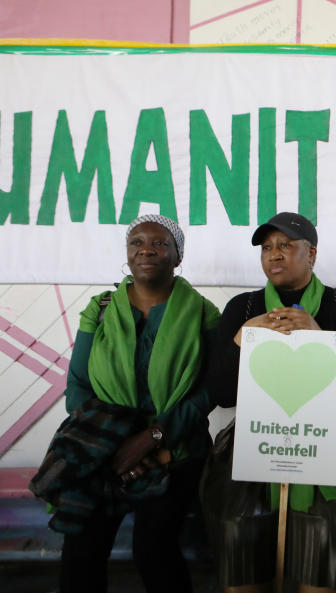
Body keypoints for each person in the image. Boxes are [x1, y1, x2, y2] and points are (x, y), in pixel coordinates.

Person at [201, 212, 336, 593]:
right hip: (257, 434)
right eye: (266, 248)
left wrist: (322, 341)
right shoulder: (243, 309)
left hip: (330, 436)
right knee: (238, 525)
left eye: (285, 245)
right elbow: (220, 393)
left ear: (311, 254)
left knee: (328, 528)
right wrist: (240, 340)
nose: (274, 255)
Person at [29, 214, 220, 593]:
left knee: (154, 551)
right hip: (103, 451)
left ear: (177, 256)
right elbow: (78, 387)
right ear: (127, 255)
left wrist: (152, 439)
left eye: (160, 243)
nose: (147, 249)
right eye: (137, 243)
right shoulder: (99, 309)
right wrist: (119, 446)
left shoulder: (203, 313)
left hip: (174, 453)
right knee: (81, 553)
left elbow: (211, 389)